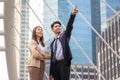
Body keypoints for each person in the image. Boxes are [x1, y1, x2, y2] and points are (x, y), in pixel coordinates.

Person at [49, 7, 78, 80]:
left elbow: (69, 26)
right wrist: (50, 73)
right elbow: (52, 59)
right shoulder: (52, 43)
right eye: (56, 26)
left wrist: (73, 15)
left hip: (63, 63)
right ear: (52, 29)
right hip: (55, 65)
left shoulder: (64, 36)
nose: (58, 27)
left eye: (59, 26)